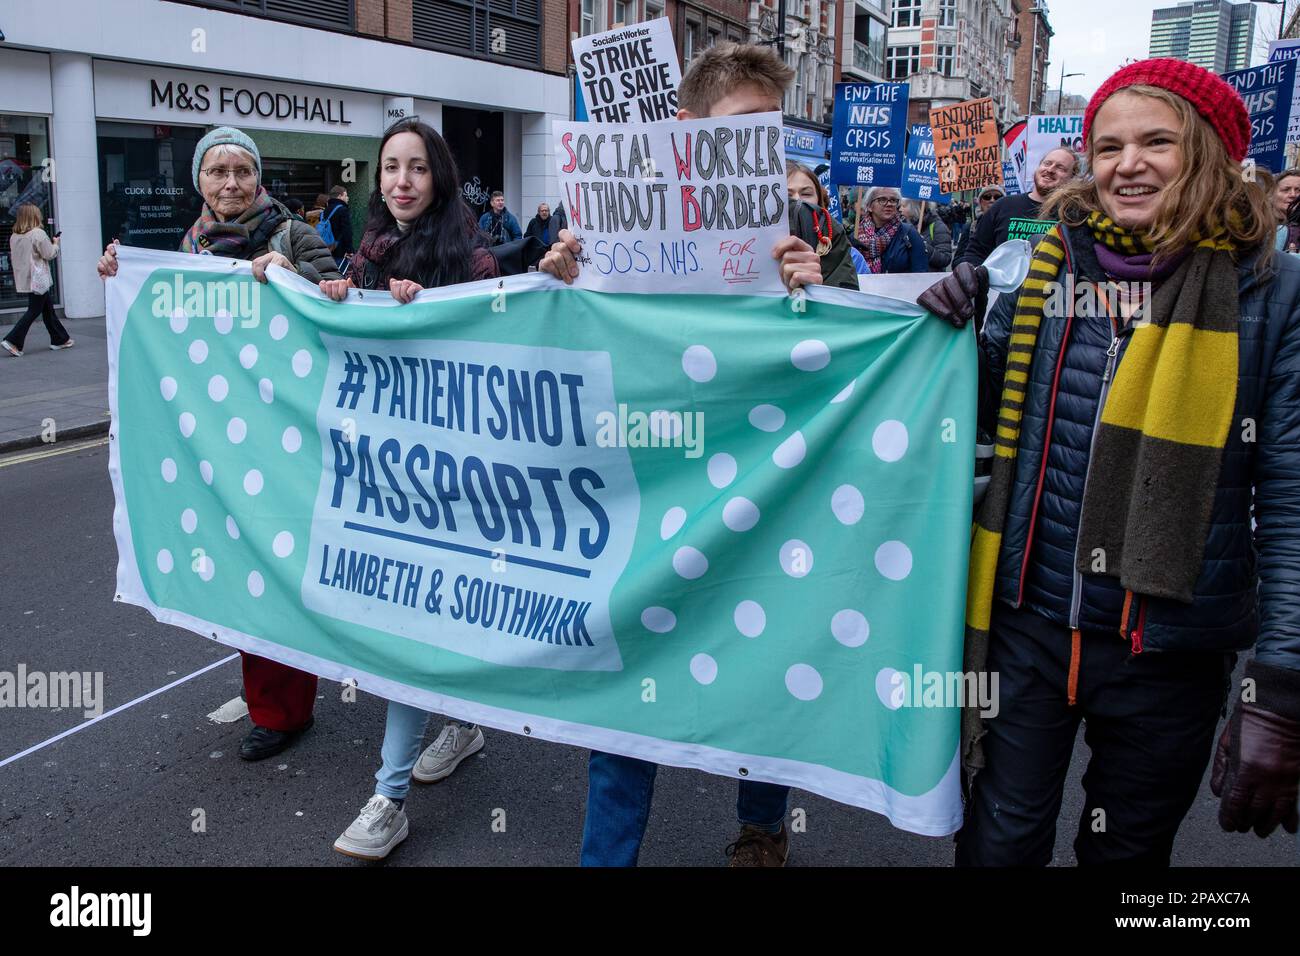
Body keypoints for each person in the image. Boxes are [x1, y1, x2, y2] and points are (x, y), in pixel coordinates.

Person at [540, 42, 879, 868]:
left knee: (759, 660)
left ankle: (762, 826)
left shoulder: (799, 228)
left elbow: (865, 357)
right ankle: (605, 857)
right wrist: (558, 287)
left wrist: (824, 293)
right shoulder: (613, 224)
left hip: (763, 494)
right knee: (629, 678)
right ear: (686, 130)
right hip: (648, 489)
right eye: (744, 126)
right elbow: (569, 349)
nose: (763, 148)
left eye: (774, 129)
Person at [958, 58, 1300, 866]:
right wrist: (950, 332)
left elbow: (1289, 502)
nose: (1127, 163)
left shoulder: (1275, 290)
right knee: (998, 843)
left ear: (1212, 153)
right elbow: (968, 419)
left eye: (1157, 141)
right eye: (1107, 147)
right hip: (1028, 628)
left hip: (1171, 651)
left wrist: (1282, 685)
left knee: (1127, 855)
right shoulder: (1050, 268)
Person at [96, 126, 340, 762]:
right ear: (199, 181)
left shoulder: (293, 233)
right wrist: (123, 277)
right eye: (216, 171)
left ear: (258, 178)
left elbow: (342, 306)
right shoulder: (189, 245)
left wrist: (296, 277)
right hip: (220, 439)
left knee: (279, 570)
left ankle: (287, 710)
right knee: (239, 572)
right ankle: (269, 695)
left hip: (284, 436)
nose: (229, 182)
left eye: (241, 170)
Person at [317, 118, 498, 861]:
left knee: (416, 626)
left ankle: (388, 798)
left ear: (440, 177)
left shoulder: (475, 257)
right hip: (388, 479)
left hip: (455, 479)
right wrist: (338, 296)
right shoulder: (367, 254)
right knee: (414, 620)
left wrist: (433, 312)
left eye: (417, 168)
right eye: (390, 167)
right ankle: (458, 722)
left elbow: (499, 349)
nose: (401, 182)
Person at [954, 149, 1078, 268]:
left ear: (1072, 178)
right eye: (1047, 163)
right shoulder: (1003, 206)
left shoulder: (1074, 216)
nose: (1050, 169)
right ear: (1038, 167)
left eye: (1060, 167)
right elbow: (975, 253)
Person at [2, 203, 72, 356]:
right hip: (38, 278)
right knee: (34, 310)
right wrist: (56, 244)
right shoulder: (37, 234)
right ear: (34, 216)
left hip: (25, 277)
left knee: (47, 309)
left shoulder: (15, 236)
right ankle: (13, 340)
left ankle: (60, 339)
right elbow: (49, 254)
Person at [786, 160, 859, 288]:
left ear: (819, 199)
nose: (797, 200)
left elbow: (844, 293)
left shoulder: (834, 234)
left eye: (806, 194)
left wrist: (816, 288)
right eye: (787, 195)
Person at [853, 187, 928, 274]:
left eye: (893, 200)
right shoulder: (856, 235)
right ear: (869, 206)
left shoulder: (909, 233)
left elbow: (920, 272)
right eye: (882, 199)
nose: (889, 204)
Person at [902, 199, 952, 271]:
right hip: (908, 278)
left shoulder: (938, 227)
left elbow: (945, 259)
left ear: (914, 207)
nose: (900, 209)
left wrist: (923, 246)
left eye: (904, 206)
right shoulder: (903, 225)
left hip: (929, 279)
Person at [321, 184, 353, 267]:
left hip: (326, 250)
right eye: (345, 195)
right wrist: (349, 250)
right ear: (339, 196)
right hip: (340, 250)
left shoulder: (324, 211)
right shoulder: (343, 210)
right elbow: (347, 231)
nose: (348, 198)